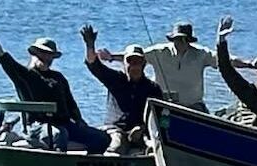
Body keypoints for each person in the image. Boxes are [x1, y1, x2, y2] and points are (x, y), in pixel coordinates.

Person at [0, 10, 109, 153]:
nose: (46, 58)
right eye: (42, 54)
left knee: (102, 138)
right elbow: (0, 54)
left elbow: (71, 105)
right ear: (33, 53)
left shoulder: (58, 77)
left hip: (65, 124)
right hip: (38, 126)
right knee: (58, 135)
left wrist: (80, 122)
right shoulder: (24, 75)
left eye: (50, 55)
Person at [101, 20, 248, 112]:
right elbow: (135, 58)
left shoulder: (201, 54)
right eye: (175, 39)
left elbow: (225, 61)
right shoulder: (160, 52)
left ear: (189, 40)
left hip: (193, 106)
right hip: (164, 105)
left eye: (182, 40)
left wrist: (249, 64)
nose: (178, 42)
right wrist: (112, 57)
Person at [81, 25, 165, 150]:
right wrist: (90, 45)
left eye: (138, 62)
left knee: (151, 145)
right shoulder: (115, 79)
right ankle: (111, 158)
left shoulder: (152, 88)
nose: (134, 66)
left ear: (144, 64)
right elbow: (93, 64)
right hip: (114, 130)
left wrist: (142, 129)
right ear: (124, 64)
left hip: (140, 132)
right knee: (117, 143)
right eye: (130, 62)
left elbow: (160, 117)